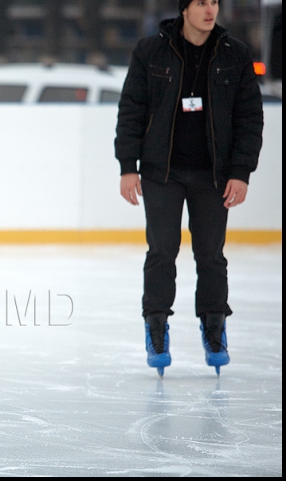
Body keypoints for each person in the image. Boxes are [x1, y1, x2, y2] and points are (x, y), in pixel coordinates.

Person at [115, 0, 264, 377]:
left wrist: (241, 171)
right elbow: (132, 108)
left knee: (211, 255)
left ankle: (214, 329)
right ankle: (157, 328)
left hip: (214, 175)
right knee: (162, 251)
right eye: (200, 2)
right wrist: (127, 167)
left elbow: (250, 118)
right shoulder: (151, 51)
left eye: (213, 2)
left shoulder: (236, 54)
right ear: (185, 9)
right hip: (161, 172)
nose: (209, 9)